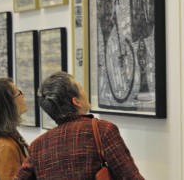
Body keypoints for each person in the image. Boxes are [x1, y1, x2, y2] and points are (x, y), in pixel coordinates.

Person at [14, 71, 145, 179]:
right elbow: (130, 176)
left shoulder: (38, 146)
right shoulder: (103, 130)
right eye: (80, 88)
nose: (84, 92)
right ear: (76, 101)